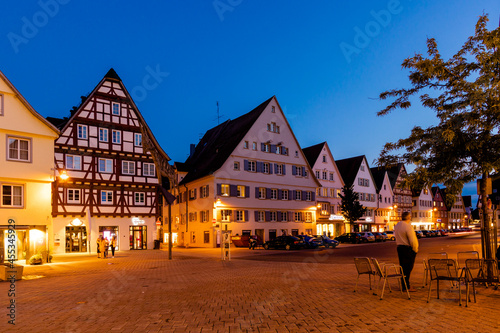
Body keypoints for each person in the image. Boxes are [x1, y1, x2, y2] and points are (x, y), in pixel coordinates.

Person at [394, 211, 419, 292]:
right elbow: (413, 240)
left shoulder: (397, 225)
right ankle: (406, 286)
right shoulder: (408, 226)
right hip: (407, 249)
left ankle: (403, 285)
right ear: (409, 217)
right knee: (408, 268)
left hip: (399, 248)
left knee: (402, 268)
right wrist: (415, 250)